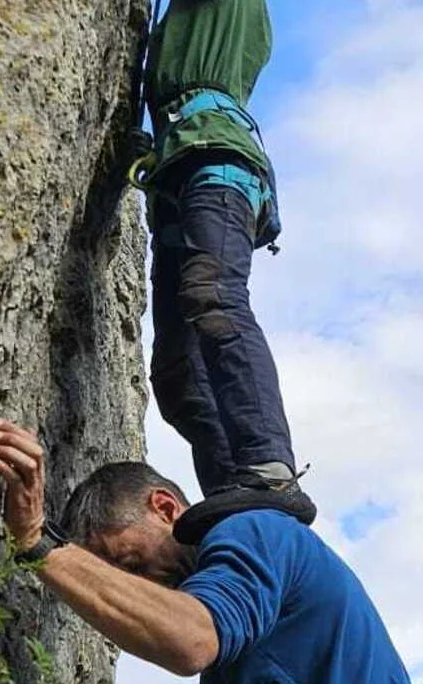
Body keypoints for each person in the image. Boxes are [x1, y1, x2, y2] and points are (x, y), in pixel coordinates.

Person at [0, 419, 411, 682]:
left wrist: (39, 541)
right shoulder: (234, 653)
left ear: (165, 507)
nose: (140, 586)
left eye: (133, 563)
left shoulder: (252, 531)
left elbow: (192, 641)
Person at [126, 0, 313, 543]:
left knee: (214, 297)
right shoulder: (176, 34)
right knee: (177, 376)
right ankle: (233, 497)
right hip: (180, 173)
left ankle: (269, 468)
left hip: (218, 163)